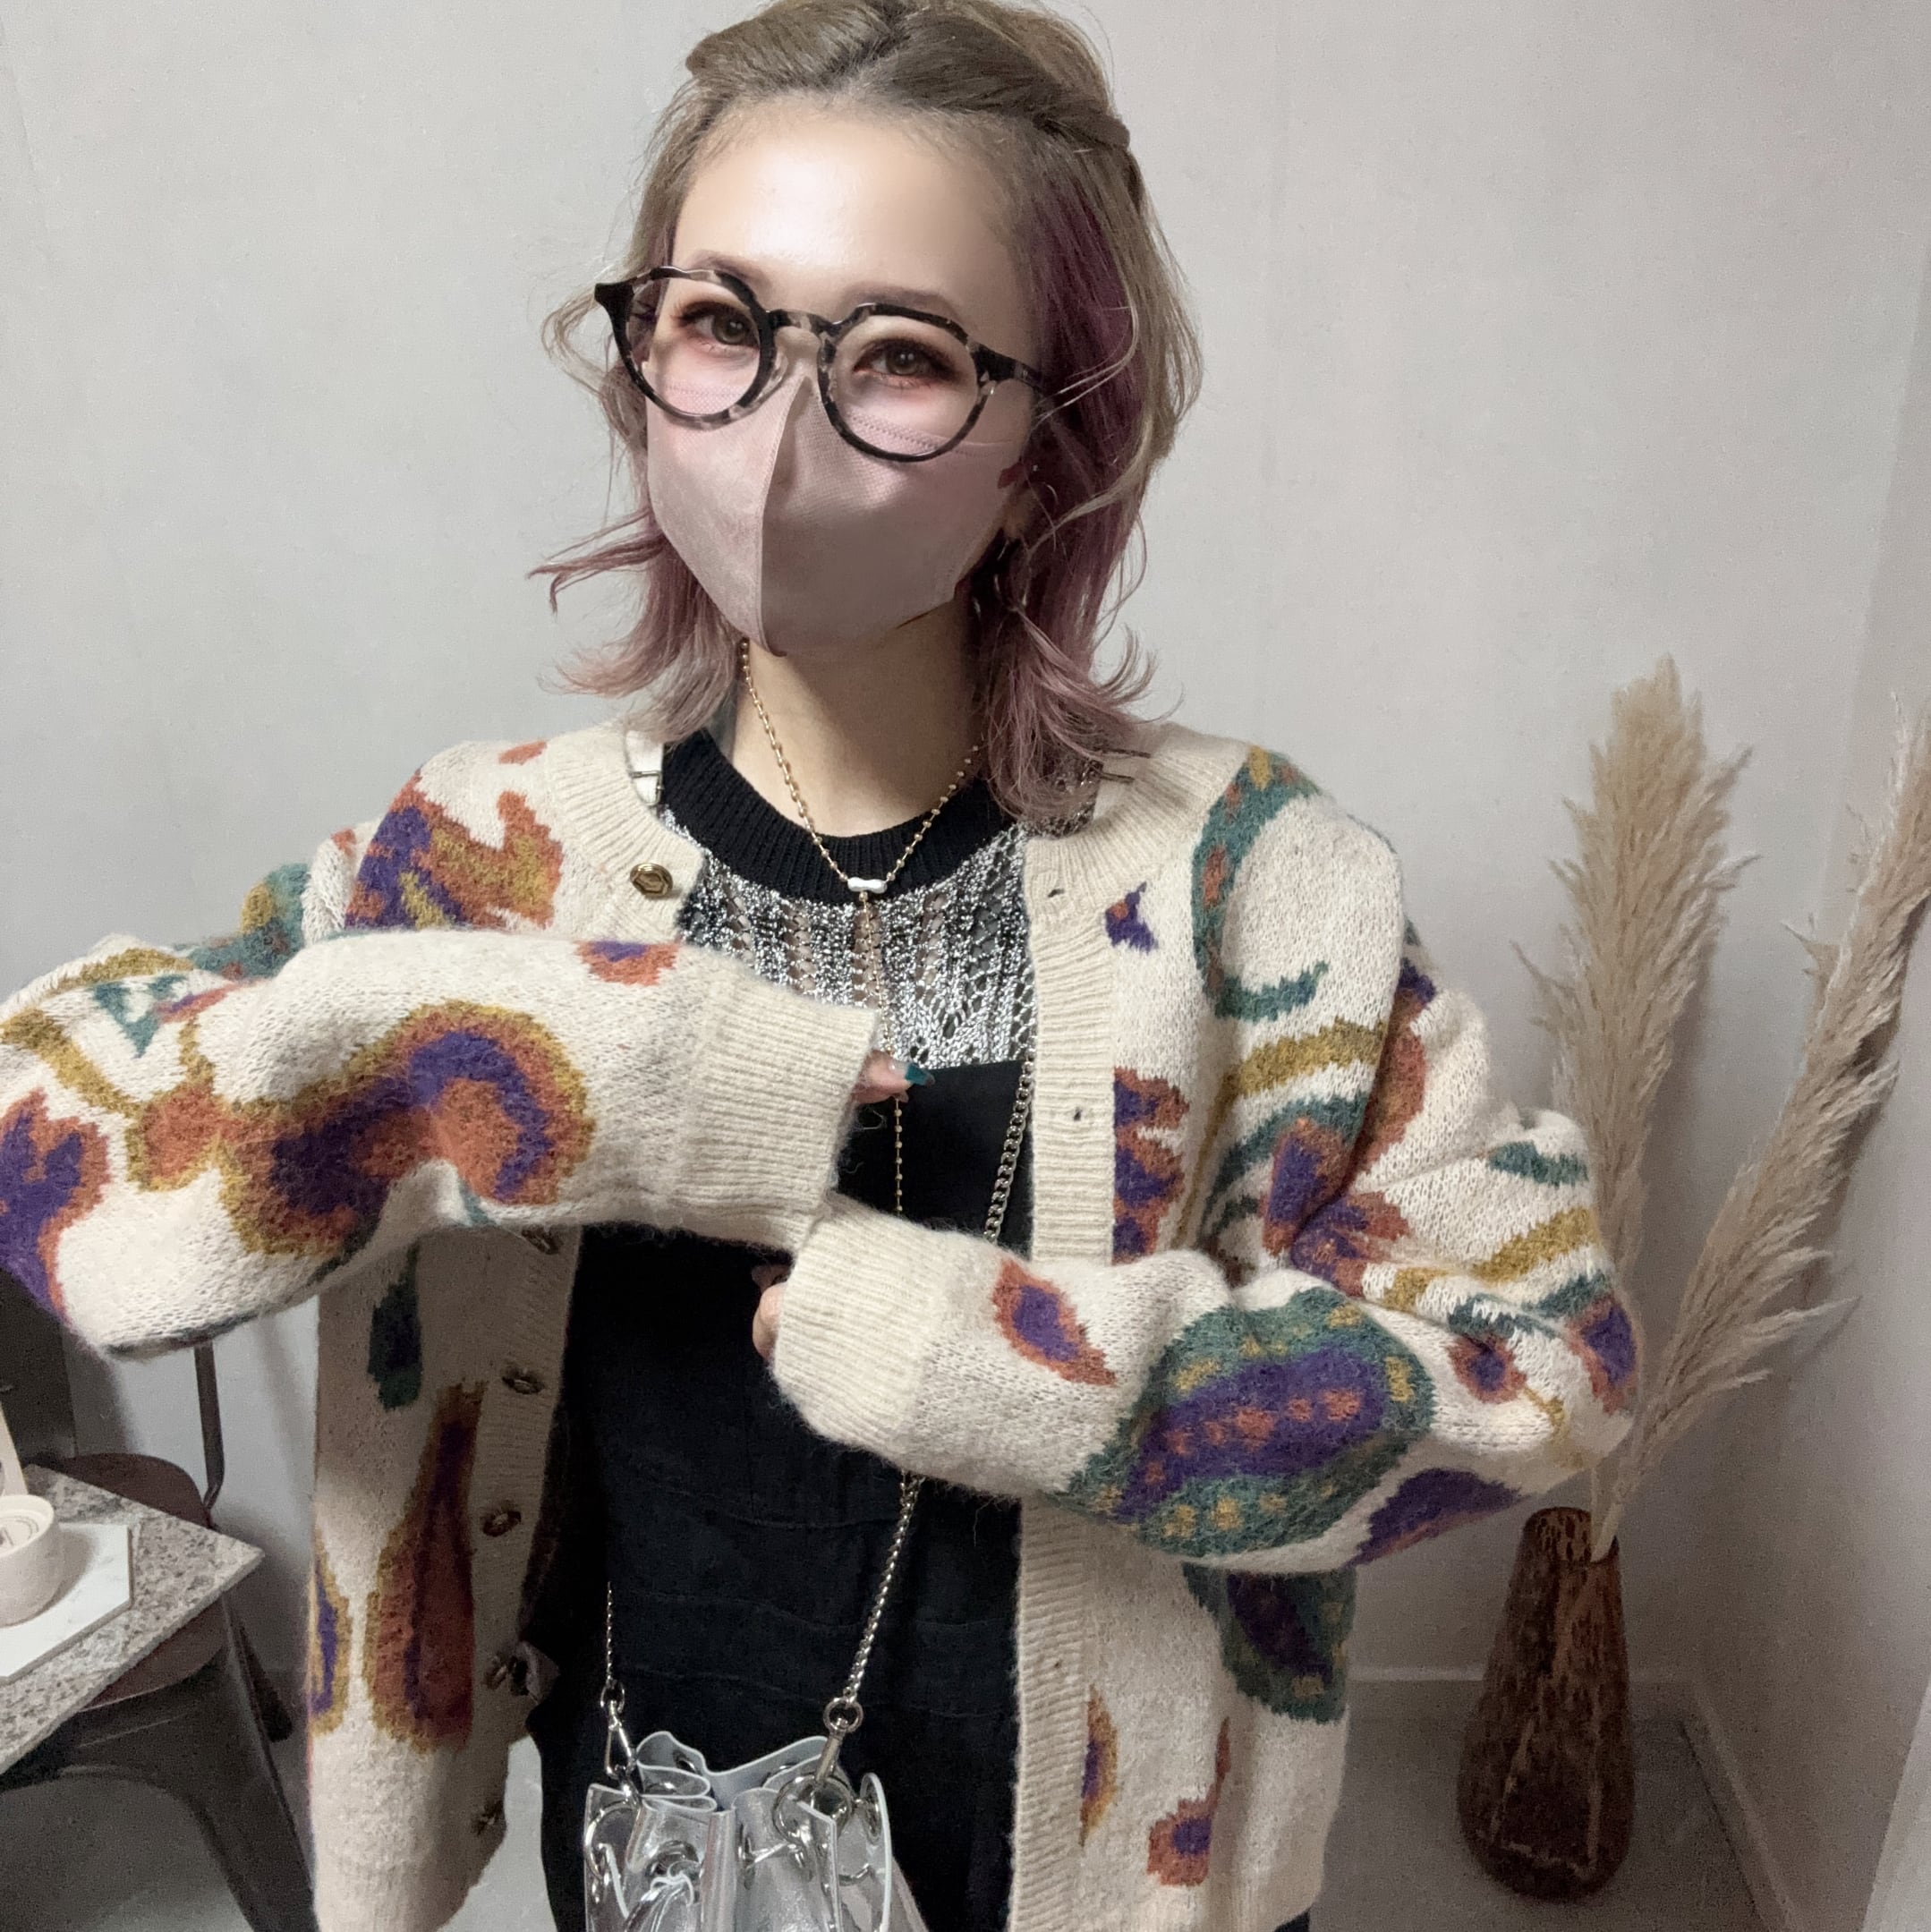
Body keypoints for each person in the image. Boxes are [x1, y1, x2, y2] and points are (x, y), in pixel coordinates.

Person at [0, 2, 1638, 1928]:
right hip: (651, 1818)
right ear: (637, 360)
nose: (777, 437)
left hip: (1113, 1865)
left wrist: (1015, 1368)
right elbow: (56, 1138)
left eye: (903, 357)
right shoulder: (489, 861)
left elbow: (1537, 1366)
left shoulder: (1261, 885)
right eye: (718, 323)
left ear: (1051, 441)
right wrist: (506, 1070)